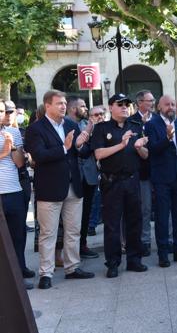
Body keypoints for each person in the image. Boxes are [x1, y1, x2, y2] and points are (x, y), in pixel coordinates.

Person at [24, 90, 94, 289]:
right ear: (47, 106)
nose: (63, 106)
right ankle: (46, 273)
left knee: (73, 231)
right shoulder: (36, 129)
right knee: (48, 233)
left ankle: (73, 268)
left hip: (73, 186)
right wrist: (64, 147)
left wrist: (80, 146)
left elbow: (83, 152)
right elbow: (39, 155)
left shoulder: (71, 125)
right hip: (50, 188)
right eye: (59, 103)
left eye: (64, 103)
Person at [91, 93, 149, 278]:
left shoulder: (136, 126)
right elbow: (98, 154)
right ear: (110, 107)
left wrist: (140, 147)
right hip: (112, 181)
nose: (125, 107)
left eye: (127, 104)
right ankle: (113, 263)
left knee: (134, 222)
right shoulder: (102, 128)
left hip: (132, 180)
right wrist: (122, 144)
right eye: (120, 104)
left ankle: (134, 260)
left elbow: (146, 156)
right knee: (112, 225)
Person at [144, 95, 177, 267]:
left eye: (173, 104)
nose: (171, 107)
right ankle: (163, 254)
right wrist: (167, 138)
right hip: (162, 179)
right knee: (162, 218)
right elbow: (152, 149)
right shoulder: (151, 124)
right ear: (159, 107)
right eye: (167, 104)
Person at [0, 100, 32, 289]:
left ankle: (19, 274)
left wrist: (12, 148)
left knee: (18, 236)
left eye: (3, 111)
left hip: (14, 191)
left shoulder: (13, 132)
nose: (2, 114)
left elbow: (20, 163)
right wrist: (4, 151)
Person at [66, 97, 99, 259]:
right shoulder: (64, 125)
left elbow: (92, 147)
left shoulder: (87, 125)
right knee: (72, 215)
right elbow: (79, 150)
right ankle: (71, 249)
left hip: (89, 175)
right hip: (73, 176)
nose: (86, 108)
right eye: (83, 106)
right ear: (73, 109)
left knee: (86, 212)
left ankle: (83, 244)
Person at [130, 90, 155, 257]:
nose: (152, 103)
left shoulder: (158, 119)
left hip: (159, 170)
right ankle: (144, 241)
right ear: (139, 103)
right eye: (149, 100)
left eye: (153, 100)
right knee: (144, 209)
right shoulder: (132, 122)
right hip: (142, 172)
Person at [86, 107, 106, 236]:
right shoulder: (87, 130)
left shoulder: (110, 128)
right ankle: (91, 225)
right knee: (95, 199)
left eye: (101, 114)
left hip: (111, 169)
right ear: (90, 118)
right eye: (96, 115)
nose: (99, 117)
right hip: (94, 170)